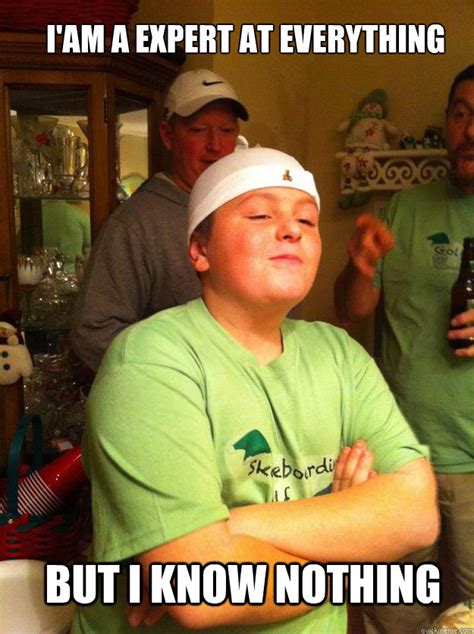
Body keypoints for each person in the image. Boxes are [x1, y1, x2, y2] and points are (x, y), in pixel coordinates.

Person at [73, 147, 438, 633]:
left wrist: (230, 527)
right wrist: (354, 541)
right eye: (261, 215)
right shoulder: (148, 361)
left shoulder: (340, 354)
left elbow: (417, 514)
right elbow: (202, 590)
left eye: (306, 220)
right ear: (200, 249)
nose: (291, 230)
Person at [334, 64, 474, 633]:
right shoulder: (403, 208)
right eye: (461, 114)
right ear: (447, 122)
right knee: (396, 614)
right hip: (400, 454)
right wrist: (361, 265)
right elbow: (352, 309)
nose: (471, 129)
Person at [71, 69, 248, 372]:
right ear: (168, 135)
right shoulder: (136, 224)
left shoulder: (247, 208)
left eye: (227, 130)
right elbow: (93, 331)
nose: (215, 145)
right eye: (198, 130)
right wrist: (177, 376)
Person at [41, 199, 91, 272]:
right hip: (73, 272)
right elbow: (90, 242)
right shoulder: (79, 214)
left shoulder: (37, 214)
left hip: (42, 271)